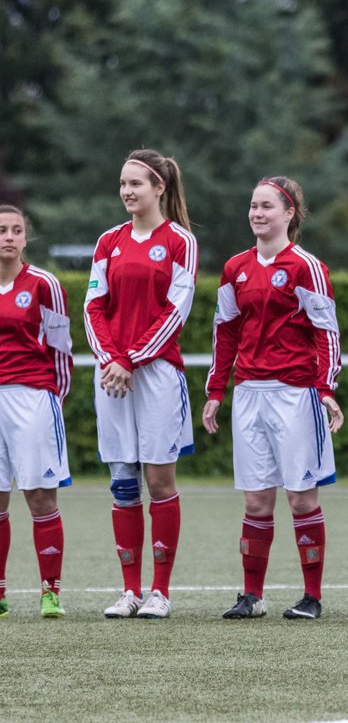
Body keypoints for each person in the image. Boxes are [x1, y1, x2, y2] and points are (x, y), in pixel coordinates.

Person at [203, 176, 343, 621]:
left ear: (289, 214)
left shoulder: (306, 267)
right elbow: (224, 333)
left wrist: (326, 389)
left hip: (295, 395)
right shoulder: (235, 268)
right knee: (256, 501)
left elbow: (327, 332)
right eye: (253, 206)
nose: (257, 213)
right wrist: (216, 391)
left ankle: (312, 596)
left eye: (266, 206)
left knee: (302, 498)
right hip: (249, 395)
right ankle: (252, 596)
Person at [85, 150, 197, 619]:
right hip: (112, 374)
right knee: (122, 482)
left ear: (159, 189)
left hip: (155, 375)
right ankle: (129, 590)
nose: (127, 191)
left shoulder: (179, 241)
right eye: (122, 183)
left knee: (158, 478)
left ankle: (160, 591)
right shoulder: (108, 241)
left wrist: (130, 358)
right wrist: (112, 359)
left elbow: (176, 311)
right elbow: (93, 308)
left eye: (136, 183)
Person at [0, 206, 73, 619]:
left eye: (16, 230)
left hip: (32, 398)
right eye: (1, 231)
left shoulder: (45, 284)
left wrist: (51, 403)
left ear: (26, 239)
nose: (8, 237)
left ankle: (50, 592)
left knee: (41, 497)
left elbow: (62, 352)